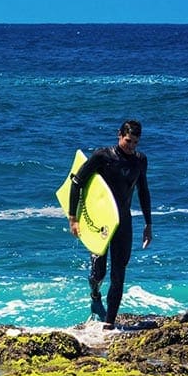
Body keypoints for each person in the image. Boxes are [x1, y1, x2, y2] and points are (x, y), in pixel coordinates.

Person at [68, 120, 152, 330]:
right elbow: (77, 182)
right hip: (101, 223)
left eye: (135, 143)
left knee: (119, 274)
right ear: (119, 135)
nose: (131, 146)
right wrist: (73, 218)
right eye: (128, 141)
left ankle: (108, 325)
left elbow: (143, 191)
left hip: (123, 223)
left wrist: (148, 224)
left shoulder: (140, 160)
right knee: (99, 273)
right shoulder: (103, 156)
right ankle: (95, 295)